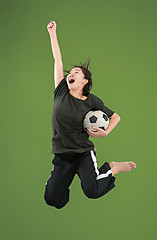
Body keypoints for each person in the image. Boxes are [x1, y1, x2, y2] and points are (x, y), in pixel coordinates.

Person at [44, 20, 136, 209]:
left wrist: (106, 132)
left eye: (76, 72)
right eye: (70, 72)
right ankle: (59, 183)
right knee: (52, 199)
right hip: (62, 155)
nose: (71, 74)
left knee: (92, 190)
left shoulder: (92, 101)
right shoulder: (61, 91)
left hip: (83, 153)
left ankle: (112, 168)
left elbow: (116, 117)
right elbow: (58, 60)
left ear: (84, 81)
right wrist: (52, 34)